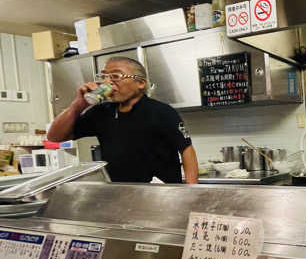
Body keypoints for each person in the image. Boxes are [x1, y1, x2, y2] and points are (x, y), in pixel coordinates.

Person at [47, 56, 199, 184]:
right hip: (119, 195)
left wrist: (190, 192)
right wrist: (78, 105)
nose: (108, 82)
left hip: (163, 195)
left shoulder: (162, 111)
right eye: (104, 76)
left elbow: (186, 149)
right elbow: (55, 137)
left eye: (116, 76)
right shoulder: (101, 112)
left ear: (140, 83)